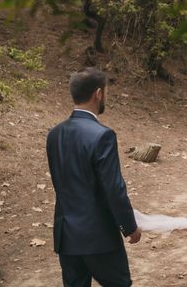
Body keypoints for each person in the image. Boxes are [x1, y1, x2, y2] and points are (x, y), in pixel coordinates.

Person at [46, 67, 142, 287]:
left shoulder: (54, 134)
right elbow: (113, 188)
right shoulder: (102, 135)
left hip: (66, 235)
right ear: (98, 94)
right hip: (98, 237)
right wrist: (129, 226)